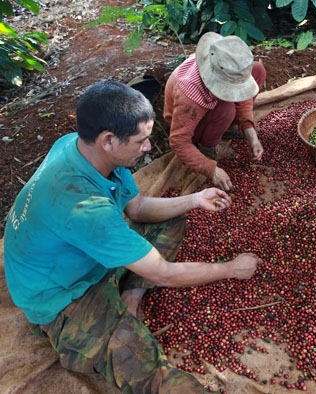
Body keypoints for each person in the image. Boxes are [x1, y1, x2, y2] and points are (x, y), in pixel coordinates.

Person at [3, 81, 262, 393]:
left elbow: (137, 208)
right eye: (141, 141)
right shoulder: (85, 209)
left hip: (86, 254)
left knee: (171, 219)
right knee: (142, 362)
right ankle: (79, 335)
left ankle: (131, 297)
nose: (150, 147)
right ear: (108, 140)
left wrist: (195, 199)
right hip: (63, 295)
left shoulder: (80, 147)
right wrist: (231, 268)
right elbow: (164, 274)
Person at [164, 32, 267, 192]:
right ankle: (208, 146)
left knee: (258, 70)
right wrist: (211, 169)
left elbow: (243, 94)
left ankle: (228, 125)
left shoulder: (224, 62)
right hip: (191, 122)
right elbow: (179, 141)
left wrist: (250, 132)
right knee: (226, 109)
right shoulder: (190, 93)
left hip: (208, 109)